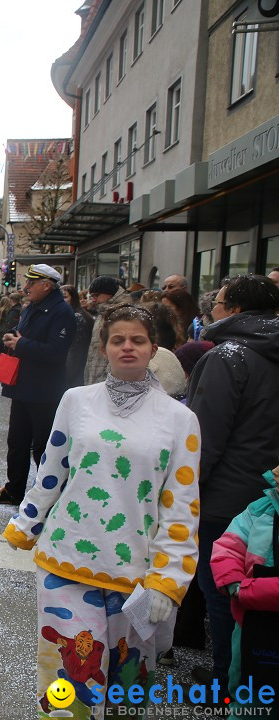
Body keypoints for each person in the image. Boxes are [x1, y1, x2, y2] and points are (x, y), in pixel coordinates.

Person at [3, 304, 200, 718]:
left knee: (127, 684)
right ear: (105, 347)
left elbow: (181, 506)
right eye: (118, 340)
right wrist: (28, 521)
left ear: (154, 348)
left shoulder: (180, 420)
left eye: (138, 340)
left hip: (137, 573)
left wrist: (169, 578)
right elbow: (53, 470)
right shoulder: (76, 401)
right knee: (70, 678)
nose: (127, 347)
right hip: (66, 556)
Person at [186, 274, 279, 690]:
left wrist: (187, 489)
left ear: (236, 310)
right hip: (269, 493)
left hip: (227, 496)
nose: (213, 309)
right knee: (261, 586)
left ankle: (227, 681)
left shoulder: (230, 356)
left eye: (219, 303)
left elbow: (206, 436)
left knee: (222, 584)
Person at [0, 264, 76, 505]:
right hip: (24, 386)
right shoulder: (34, 307)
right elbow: (25, 334)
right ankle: (14, 489)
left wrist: (20, 344)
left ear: (46, 285)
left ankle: (48, 495)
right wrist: (12, 336)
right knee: (17, 442)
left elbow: (56, 352)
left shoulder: (61, 312)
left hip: (44, 391)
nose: (26, 287)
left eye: (31, 283)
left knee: (43, 447)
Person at [210, 462, 279, 709]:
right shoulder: (262, 510)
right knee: (245, 693)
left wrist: (247, 592)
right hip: (251, 626)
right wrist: (234, 584)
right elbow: (228, 547)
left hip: (251, 603)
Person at [84, 276, 132, 384]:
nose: (94, 299)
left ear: (110, 293)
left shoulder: (123, 313)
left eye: (96, 295)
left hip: (111, 379)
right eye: (91, 296)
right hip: (97, 377)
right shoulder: (102, 313)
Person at [61, 284, 93, 388]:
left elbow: (76, 350)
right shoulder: (70, 314)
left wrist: (67, 375)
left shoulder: (77, 316)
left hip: (75, 372)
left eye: (65, 297)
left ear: (73, 298)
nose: (62, 300)